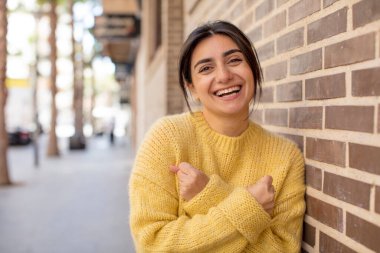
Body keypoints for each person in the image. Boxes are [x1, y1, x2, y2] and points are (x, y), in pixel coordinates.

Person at [129, 20, 305, 252]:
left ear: (252, 69)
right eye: (206, 68)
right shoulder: (166, 138)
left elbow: (283, 249)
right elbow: (153, 244)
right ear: (191, 87)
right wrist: (250, 207)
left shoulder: (285, 156)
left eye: (234, 60)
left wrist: (207, 194)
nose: (224, 76)